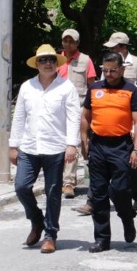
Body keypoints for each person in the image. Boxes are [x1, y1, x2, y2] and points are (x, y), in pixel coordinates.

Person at [10, 44, 80, 254]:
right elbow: (20, 117)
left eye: (51, 60)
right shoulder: (27, 87)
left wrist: (71, 144)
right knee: (21, 187)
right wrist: (13, 145)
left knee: (52, 192)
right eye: (43, 60)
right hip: (30, 146)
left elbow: (73, 117)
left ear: (56, 63)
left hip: (56, 147)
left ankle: (50, 235)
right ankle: (37, 220)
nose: (47, 63)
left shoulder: (66, 87)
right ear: (37, 64)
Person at [80, 51, 137, 253]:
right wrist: (84, 140)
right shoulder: (94, 89)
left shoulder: (131, 90)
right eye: (105, 70)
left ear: (122, 69)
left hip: (121, 146)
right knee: (98, 194)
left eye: (113, 70)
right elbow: (85, 117)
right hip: (98, 145)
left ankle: (127, 217)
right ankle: (102, 239)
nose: (108, 74)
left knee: (118, 190)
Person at [100, 31, 137, 212]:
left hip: (130, 116)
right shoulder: (107, 65)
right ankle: (94, 199)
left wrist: (136, 126)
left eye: (114, 47)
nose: (111, 50)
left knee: (130, 163)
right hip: (110, 117)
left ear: (123, 48)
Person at [57, 29, 95, 200]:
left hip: (79, 108)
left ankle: (69, 183)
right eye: (65, 41)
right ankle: (57, 180)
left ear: (77, 43)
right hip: (57, 108)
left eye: (71, 41)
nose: (68, 44)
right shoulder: (56, 60)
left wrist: (91, 111)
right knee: (58, 144)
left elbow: (92, 87)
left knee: (74, 144)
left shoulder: (86, 60)